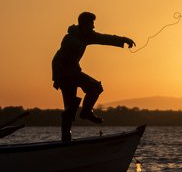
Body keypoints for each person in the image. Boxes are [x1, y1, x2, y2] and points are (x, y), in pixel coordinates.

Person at [52, 11, 135, 142]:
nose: (93, 27)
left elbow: (105, 38)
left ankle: (86, 112)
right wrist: (56, 78)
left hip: (75, 73)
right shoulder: (69, 39)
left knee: (95, 87)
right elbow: (57, 59)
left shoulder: (87, 36)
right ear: (83, 25)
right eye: (91, 24)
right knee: (70, 108)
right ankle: (66, 139)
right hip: (65, 76)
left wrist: (123, 40)